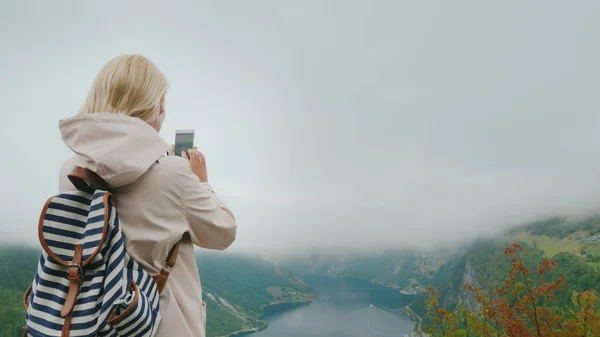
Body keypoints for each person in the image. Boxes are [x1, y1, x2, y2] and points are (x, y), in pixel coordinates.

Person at [57, 54, 237, 337]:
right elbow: (222, 233)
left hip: (92, 322)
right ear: (154, 105)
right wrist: (201, 182)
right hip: (160, 324)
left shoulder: (71, 170)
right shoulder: (175, 174)